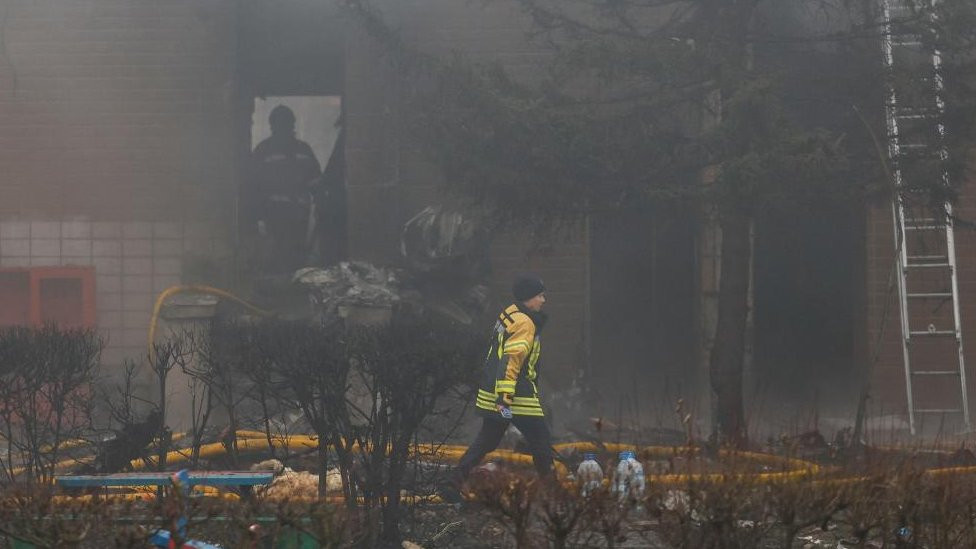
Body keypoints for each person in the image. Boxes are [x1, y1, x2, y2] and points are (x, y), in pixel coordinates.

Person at [454, 273, 553, 485]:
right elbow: (511, 360)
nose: (543, 301)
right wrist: (505, 397)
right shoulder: (525, 323)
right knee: (541, 441)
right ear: (529, 297)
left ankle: (452, 482)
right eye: (541, 296)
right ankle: (552, 491)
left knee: (487, 440)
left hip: (494, 393)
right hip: (515, 397)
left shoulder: (510, 314)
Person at [243, 105, 322, 274]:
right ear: (273, 125)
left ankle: (290, 287)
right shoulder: (264, 150)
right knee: (278, 253)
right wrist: (258, 218)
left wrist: (321, 205)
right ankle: (280, 288)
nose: (283, 127)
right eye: (280, 123)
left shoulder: (303, 149)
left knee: (295, 253)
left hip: (298, 214)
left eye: (286, 123)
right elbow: (252, 186)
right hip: (275, 214)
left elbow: (315, 181)